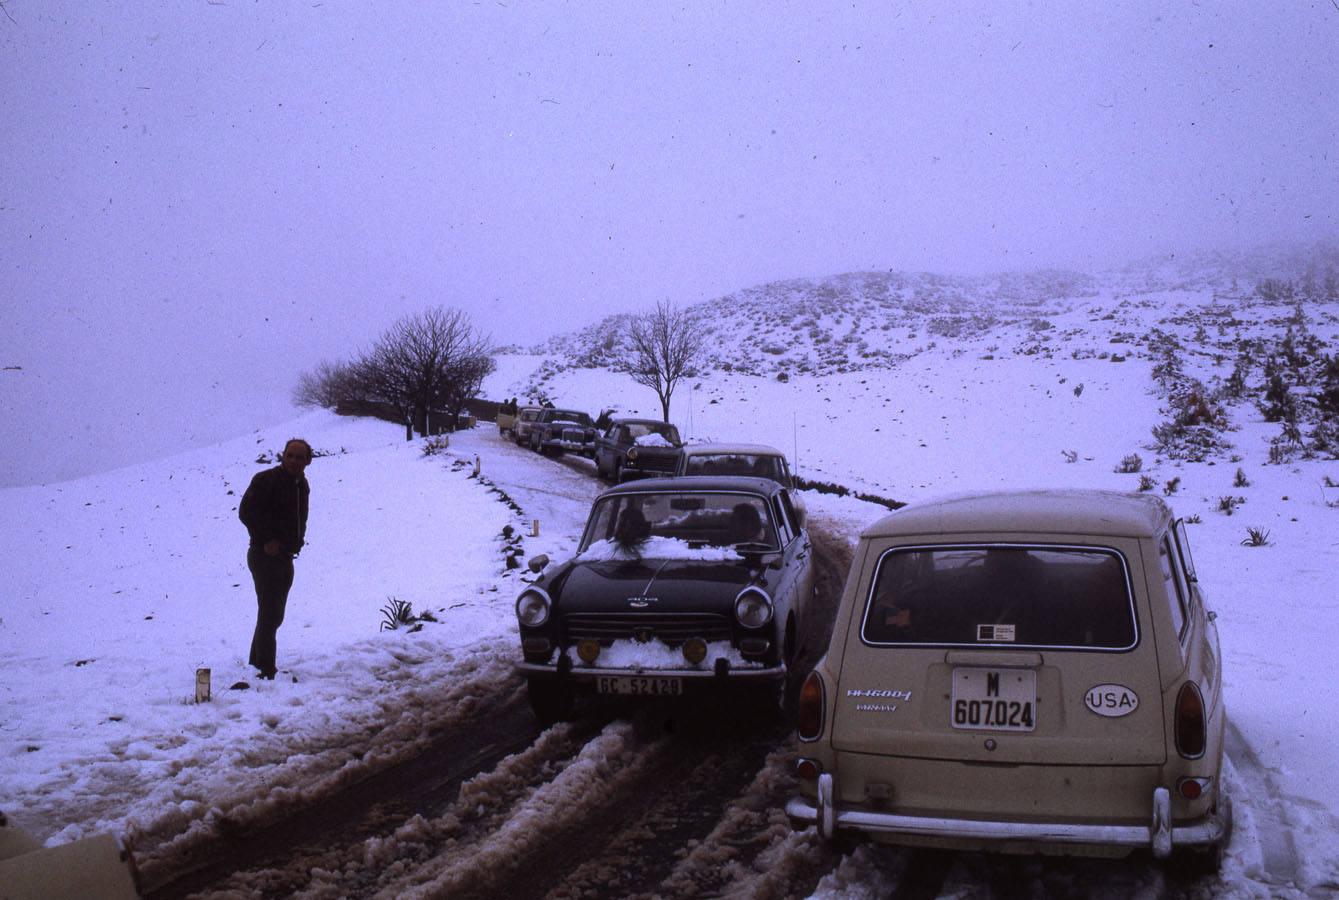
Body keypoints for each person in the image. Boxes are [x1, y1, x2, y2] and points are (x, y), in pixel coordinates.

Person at [238, 438, 312, 680]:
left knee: (273, 614)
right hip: (264, 556)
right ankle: (265, 668)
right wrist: (267, 538)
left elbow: (301, 516)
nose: (293, 460)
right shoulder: (266, 480)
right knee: (270, 613)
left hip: (286, 557)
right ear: (283, 456)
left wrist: (297, 540)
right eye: (289, 455)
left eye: (299, 457)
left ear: (307, 461)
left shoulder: (302, 484)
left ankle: (255, 661)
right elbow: (246, 512)